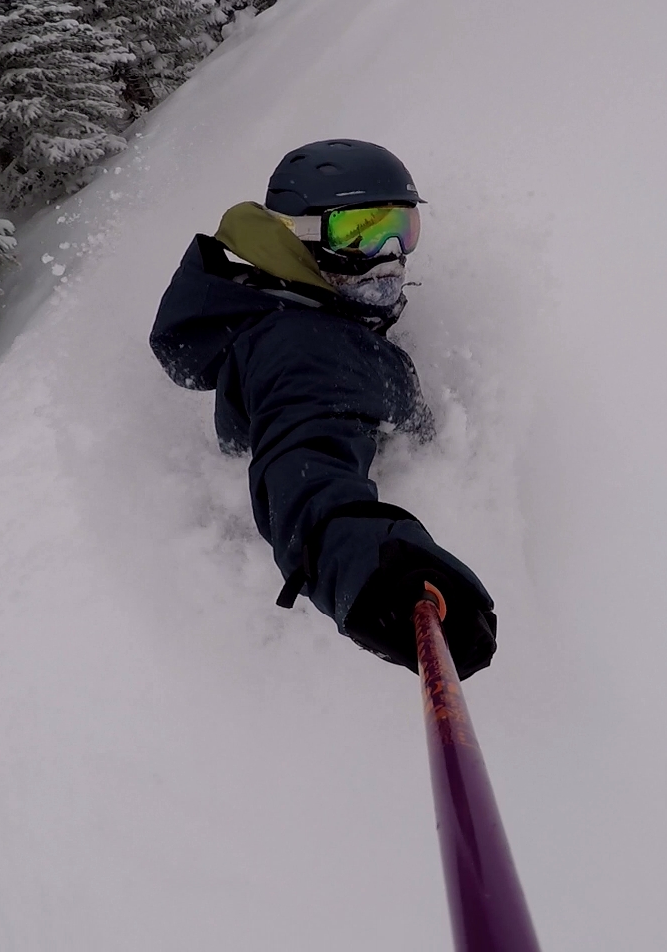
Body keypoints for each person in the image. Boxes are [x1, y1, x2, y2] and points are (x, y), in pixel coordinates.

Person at [149, 140, 498, 677]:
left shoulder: (284, 304)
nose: (387, 256)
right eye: (359, 232)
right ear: (297, 236)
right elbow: (306, 466)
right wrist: (374, 570)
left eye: (401, 231)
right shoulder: (305, 345)